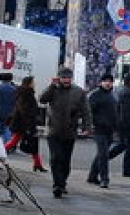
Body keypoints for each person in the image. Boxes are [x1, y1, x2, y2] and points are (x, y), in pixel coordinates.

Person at [39, 66, 92, 198]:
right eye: (63, 77)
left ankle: (62, 183)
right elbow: (42, 99)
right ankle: (57, 185)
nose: (66, 80)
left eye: (68, 77)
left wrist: (87, 127)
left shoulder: (78, 92)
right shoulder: (53, 89)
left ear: (71, 78)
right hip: (53, 130)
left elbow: (86, 111)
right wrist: (51, 86)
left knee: (65, 160)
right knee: (55, 158)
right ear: (59, 78)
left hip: (70, 131)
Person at [5, 75, 45, 172]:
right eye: (33, 82)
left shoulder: (25, 93)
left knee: (32, 143)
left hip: (23, 123)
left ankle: (38, 164)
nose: (34, 84)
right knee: (22, 142)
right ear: (29, 83)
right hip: (24, 124)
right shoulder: (26, 94)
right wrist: (28, 125)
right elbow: (25, 111)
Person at [85, 72, 118, 189]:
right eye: (106, 81)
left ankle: (92, 176)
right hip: (99, 129)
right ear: (101, 82)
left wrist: (116, 127)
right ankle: (104, 179)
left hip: (109, 129)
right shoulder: (94, 95)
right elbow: (88, 112)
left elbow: (115, 112)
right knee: (104, 154)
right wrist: (89, 126)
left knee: (101, 154)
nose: (108, 83)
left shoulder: (112, 95)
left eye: (110, 81)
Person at [108, 72, 130, 178]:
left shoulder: (121, 90)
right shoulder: (128, 93)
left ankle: (104, 160)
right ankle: (127, 170)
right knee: (129, 146)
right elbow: (127, 112)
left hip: (123, 125)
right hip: (128, 125)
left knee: (125, 145)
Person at [0, 71, 17, 143]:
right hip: (10, 113)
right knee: (8, 130)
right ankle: (7, 145)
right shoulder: (14, 89)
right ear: (11, 79)